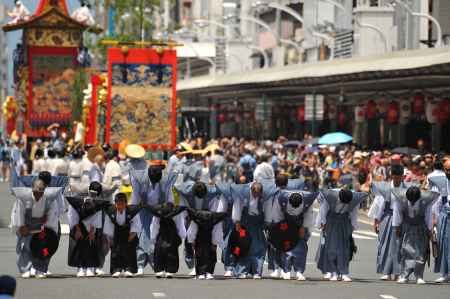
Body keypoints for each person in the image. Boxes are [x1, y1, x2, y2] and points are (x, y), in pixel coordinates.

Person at [176, 181, 227, 279]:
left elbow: (215, 215)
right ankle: (197, 268)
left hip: (209, 219)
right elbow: (183, 206)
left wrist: (215, 241)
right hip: (193, 217)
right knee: (194, 245)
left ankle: (209, 271)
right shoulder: (185, 192)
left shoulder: (212, 193)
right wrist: (187, 217)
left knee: (211, 247)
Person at [10, 179, 61, 278]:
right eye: (36, 192)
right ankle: (25, 269)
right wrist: (21, 226)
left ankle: (40, 269)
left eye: (41, 192)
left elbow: (52, 216)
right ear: (32, 190)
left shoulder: (50, 199)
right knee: (26, 247)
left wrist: (46, 231)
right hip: (26, 226)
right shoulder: (24, 198)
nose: (38, 195)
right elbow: (18, 213)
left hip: (42, 228)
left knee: (44, 248)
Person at [315, 189, 368, 282]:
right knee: (331, 249)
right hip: (331, 221)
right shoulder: (330, 196)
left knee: (344, 249)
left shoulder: (353, 199)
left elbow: (353, 213)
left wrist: (353, 226)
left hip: (344, 222)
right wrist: (321, 223)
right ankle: (333, 272)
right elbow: (323, 211)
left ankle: (344, 272)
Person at [367, 164, 407, 280]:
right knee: (385, 244)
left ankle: (398, 272)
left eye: (400, 176)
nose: (398, 179)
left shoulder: (406, 188)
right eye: (396, 176)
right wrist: (376, 221)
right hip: (387, 217)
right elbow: (378, 205)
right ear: (392, 176)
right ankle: (386, 271)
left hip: (402, 218)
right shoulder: (385, 188)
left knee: (400, 245)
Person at [394, 187, 439, 284]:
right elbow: (397, 213)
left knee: (421, 251)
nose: (413, 202)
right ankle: (404, 275)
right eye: (411, 200)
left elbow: (428, 215)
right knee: (405, 250)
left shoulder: (426, 201)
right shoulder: (400, 199)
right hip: (406, 226)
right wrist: (397, 227)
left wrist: (430, 230)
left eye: (415, 200)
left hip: (421, 227)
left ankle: (419, 276)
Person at [66, 182, 107, 278]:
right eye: (92, 193)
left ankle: (90, 267)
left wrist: (92, 231)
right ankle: (80, 268)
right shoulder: (77, 199)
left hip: (91, 227)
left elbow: (96, 216)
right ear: (88, 190)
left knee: (92, 245)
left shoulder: (98, 201)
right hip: (78, 225)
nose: (93, 195)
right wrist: (77, 229)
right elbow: (72, 215)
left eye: (96, 194)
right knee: (79, 246)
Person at [275, 190, 317, 281]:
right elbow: (278, 212)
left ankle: (299, 271)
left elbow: (309, 215)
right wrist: (279, 226)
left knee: (301, 249)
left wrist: (304, 227)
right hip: (286, 222)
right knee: (286, 247)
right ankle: (286, 271)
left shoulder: (307, 200)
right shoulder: (282, 198)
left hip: (300, 223)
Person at [231, 182, 267, 279]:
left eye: (258, 194)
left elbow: (267, 210)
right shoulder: (242, 194)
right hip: (244, 225)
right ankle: (242, 271)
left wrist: (267, 223)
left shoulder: (264, 196)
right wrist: (237, 222)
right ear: (251, 190)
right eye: (255, 194)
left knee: (259, 249)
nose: (256, 196)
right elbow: (236, 208)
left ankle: (257, 272)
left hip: (257, 225)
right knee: (243, 247)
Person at [103, 193, 141, 278]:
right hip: (116, 233)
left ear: (126, 203)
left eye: (122, 204)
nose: (120, 206)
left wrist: (129, 238)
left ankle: (129, 269)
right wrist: (110, 240)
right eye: (118, 204)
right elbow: (108, 226)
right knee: (115, 251)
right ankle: (116, 269)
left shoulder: (132, 211)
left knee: (129, 250)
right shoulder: (110, 211)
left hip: (129, 233)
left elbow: (136, 226)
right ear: (115, 203)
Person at [145, 202, 186, 278]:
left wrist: (153, 239)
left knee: (159, 252)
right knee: (171, 253)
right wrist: (181, 237)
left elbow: (154, 227)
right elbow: (180, 226)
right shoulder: (177, 213)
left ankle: (159, 270)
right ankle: (170, 270)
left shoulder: (158, 213)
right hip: (172, 236)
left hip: (161, 236)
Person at [186, 207, 228, 280]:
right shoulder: (215, 218)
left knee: (199, 256)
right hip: (210, 239)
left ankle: (201, 273)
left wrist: (192, 241)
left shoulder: (196, 217)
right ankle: (209, 272)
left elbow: (192, 231)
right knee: (211, 255)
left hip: (199, 239)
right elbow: (217, 231)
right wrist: (215, 243)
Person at [432, 159, 450, 283]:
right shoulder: (441, 182)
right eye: (447, 169)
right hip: (444, 216)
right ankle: (446, 273)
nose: (448, 172)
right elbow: (436, 202)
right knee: (444, 245)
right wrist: (434, 218)